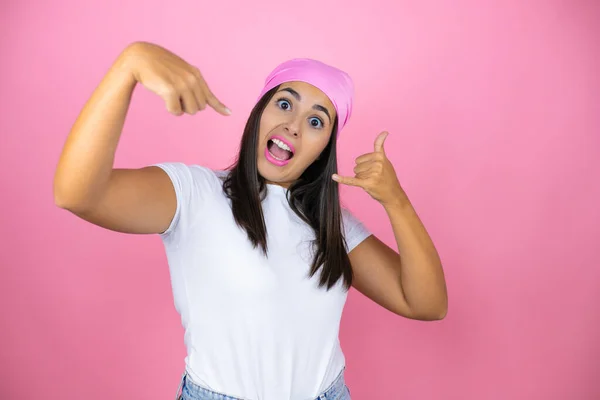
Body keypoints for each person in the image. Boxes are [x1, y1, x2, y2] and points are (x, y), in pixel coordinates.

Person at [53, 41, 448, 400]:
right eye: (284, 103)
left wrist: (396, 201)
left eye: (316, 122)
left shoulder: (333, 226)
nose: (293, 124)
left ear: (325, 148)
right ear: (260, 111)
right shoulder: (196, 195)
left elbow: (426, 303)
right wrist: (129, 65)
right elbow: (77, 193)